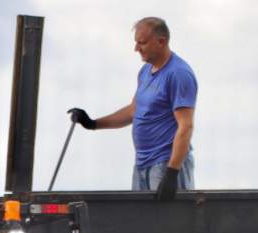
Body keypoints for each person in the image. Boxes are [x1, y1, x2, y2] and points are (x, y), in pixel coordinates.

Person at [69, 16, 197, 195]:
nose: (136, 48)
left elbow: (186, 125)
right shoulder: (145, 72)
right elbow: (134, 110)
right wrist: (92, 123)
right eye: (136, 42)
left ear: (161, 41)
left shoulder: (178, 74)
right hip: (142, 164)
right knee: (142, 222)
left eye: (142, 43)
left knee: (169, 222)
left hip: (165, 164)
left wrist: (172, 172)